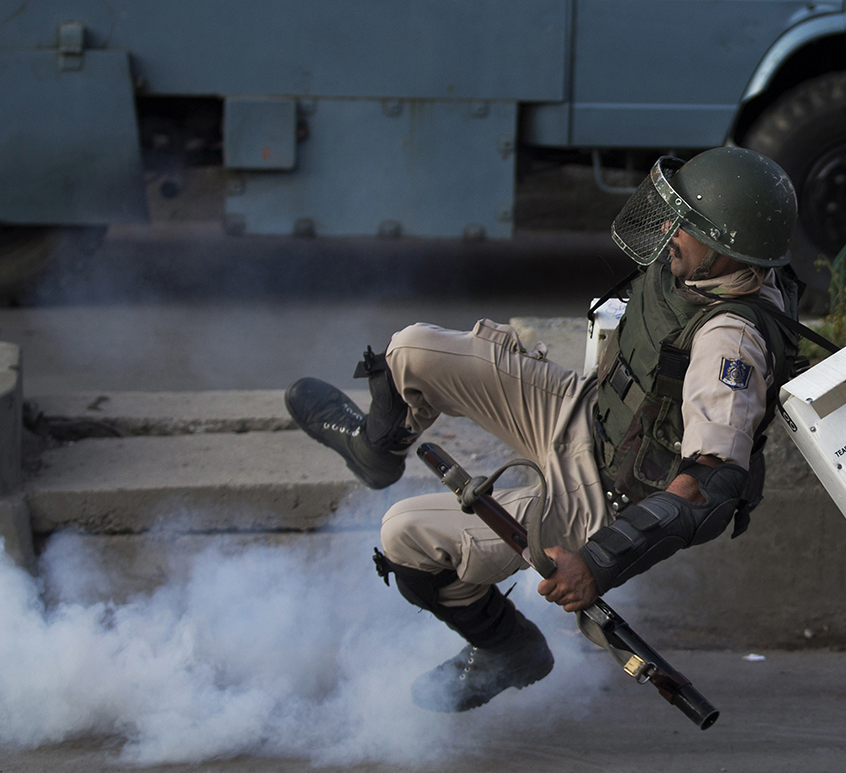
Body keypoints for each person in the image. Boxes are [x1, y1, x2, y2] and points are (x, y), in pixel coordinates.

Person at [285, 147, 801, 713]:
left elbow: (708, 488)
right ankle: (375, 452)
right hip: (589, 412)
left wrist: (598, 563)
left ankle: (508, 649)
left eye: (687, 225)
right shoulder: (703, 269)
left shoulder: (731, 342)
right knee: (412, 352)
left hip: (606, 494)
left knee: (403, 533)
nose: (669, 229)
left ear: (727, 248)